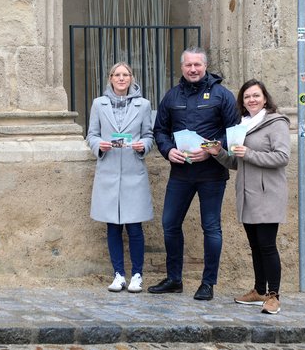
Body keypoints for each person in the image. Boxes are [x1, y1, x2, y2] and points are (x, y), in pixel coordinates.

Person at [148, 47, 239, 301]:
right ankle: (174, 279)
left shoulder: (222, 95)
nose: (193, 69)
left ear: (205, 66)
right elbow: (160, 131)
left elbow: (233, 132)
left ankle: (208, 283)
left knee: (211, 228)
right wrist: (168, 151)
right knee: (169, 224)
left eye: (197, 65)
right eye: (188, 65)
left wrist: (211, 150)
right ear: (182, 67)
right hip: (181, 173)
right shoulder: (171, 96)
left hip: (212, 173)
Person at [203, 79, 290, 314]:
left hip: (268, 193)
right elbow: (235, 162)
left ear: (265, 98)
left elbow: (282, 157)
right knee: (255, 245)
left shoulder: (276, 123)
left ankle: (274, 295)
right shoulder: (241, 125)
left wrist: (249, 153)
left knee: (267, 245)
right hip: (247, 193)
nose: (251, 100)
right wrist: (218, 152)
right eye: (247, 97)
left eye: (256, 96)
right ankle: (259, 290)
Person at [86, 62, 154, 293]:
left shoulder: (143, 105)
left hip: (134, 172)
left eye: (126, 75)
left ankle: (137, 274)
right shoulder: (99, 104)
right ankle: (118, 274)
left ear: (131, 78)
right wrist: (100, 145)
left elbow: (148, 135)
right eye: (117, 75)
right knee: (113, 227)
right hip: (109, 171)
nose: (122, 78)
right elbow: (92, 135)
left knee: (135, 227)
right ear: (110, 78)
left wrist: (142, 146)